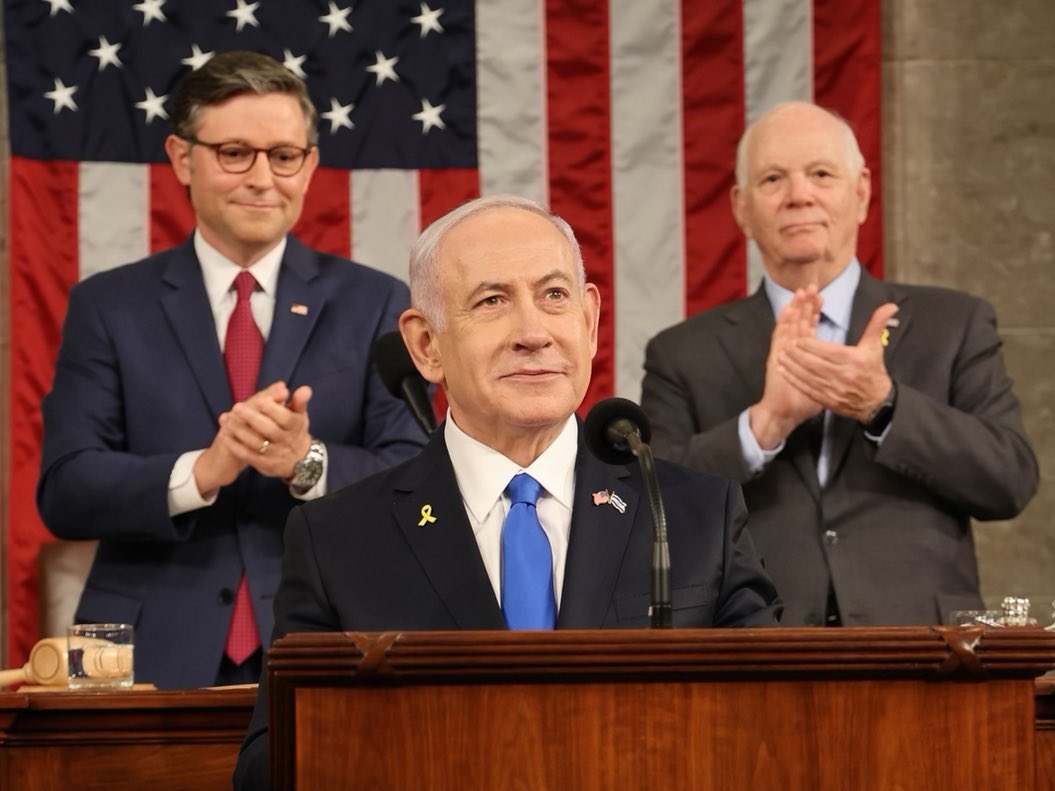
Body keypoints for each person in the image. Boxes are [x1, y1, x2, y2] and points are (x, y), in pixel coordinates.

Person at [232, 194, 781, 789]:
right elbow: (271, 767)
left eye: (554, 295)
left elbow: (773, 731)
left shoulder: (695, 515)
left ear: (589, 322)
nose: (533, 333)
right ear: (426, 346)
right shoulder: (337, 540)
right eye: (492, 301)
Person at [36, 51, 427, 689]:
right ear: (182, 158)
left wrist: (305, 461)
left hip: (331, 642)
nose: (262, 179)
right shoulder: (107, 305)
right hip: (141, 654)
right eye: (235, 153)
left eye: (284, 155)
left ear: (310, 165)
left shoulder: (376, 302)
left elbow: (419, 481)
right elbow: (65, 491)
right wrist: (201, 471)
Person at [641, 101, 1039, 627]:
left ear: (862, 192)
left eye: (821, 174)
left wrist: (884, 406)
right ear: (741, 207)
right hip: (755, 646)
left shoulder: (954, 323)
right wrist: (763, 426)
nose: (799, 195)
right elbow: (647, 512)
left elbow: (1009, 481)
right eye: (773, 179)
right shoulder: (681, 352)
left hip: (925, 647)